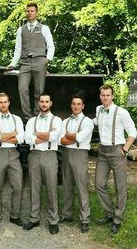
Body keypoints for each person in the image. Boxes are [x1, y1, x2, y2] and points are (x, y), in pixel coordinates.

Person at [94, 84, 137, 234]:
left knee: (120, 187)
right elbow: (95, 122)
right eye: (103, 95)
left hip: (117, 150)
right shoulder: (98, 110)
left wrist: (125, 149)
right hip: (102, 151)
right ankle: (109, 213)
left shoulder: (121, 112)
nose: (105, 98)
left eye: (108, 95)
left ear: (112, 96)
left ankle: (117, 219)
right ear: (100, 96)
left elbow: (133, 132)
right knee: (99, 184)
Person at [8, 3, 55, 122]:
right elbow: (18, 49)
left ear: (36, 13)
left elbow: (51, 46)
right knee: (22, 88)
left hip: (40, 61)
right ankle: (28, 117)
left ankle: (37, 115)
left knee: (39, 90)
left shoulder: (44, 28)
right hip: (25, 63)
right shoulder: (21, 29)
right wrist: (13, 63)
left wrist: (47, 60)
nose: (30, 13)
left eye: (32, 11)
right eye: (28, 11)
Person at [23, 93, 62, 234]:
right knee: (34, 188)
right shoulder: (31, 121)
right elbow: (27, 139)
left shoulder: (57, 120)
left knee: (52, 188)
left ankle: (53, 220)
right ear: (38, 104)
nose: (44, 104)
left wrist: (36, 134)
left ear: (51, 103)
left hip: (50, 155)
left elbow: (55, 136)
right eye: (42, 101)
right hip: (34, 156)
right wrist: (45, 136)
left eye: (47, 101)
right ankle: (34, 218)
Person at [0, 92, 24, 232]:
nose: (3, 104)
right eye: (0, 102)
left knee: (18, 185)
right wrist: (12, 133)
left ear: (9, 103)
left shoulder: (17, 119)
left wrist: (3, 136)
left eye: (5, 102)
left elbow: (21, 138)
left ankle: (15, 216)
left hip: (14, 154)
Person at [59, 95, 93, 232]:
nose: (76, 106)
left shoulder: (88, 121)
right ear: (71, 105)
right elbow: (60, 140)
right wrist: (72, 137)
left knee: (81, 187)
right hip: (66, 153)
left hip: (80, 154)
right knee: (66, 185)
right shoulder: (65, 121)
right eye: (74, 104)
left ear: (83, 106)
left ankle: (84, 218)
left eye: (79, 104)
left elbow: (80, 138)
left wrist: (69, 135)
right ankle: (67, 214)